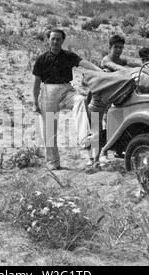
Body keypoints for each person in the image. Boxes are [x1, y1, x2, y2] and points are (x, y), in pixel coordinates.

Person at [32, 28, 103, 170]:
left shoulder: (68, 56)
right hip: (48, 92)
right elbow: (36, 83)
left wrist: (99, 70)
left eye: (58, 39)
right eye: (53, 39)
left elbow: (83, 63)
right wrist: (35, 103)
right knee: (49, 129)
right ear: (48, 40)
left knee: (80, 100)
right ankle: (53, 162)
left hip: (66, 90)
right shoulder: (42, 59)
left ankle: (85, 138)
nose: (55, 41)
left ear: (63, 40)